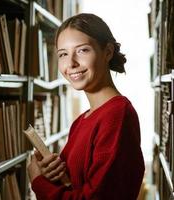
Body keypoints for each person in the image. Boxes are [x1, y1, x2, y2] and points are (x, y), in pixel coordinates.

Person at [27, 13, 145, 200]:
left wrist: (38, 182)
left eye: (82, 50)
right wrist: (51, 174)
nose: (71, 63)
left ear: (107, 52)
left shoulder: (117, 115)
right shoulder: (81, 121)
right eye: (63, 54)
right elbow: (72, 187)